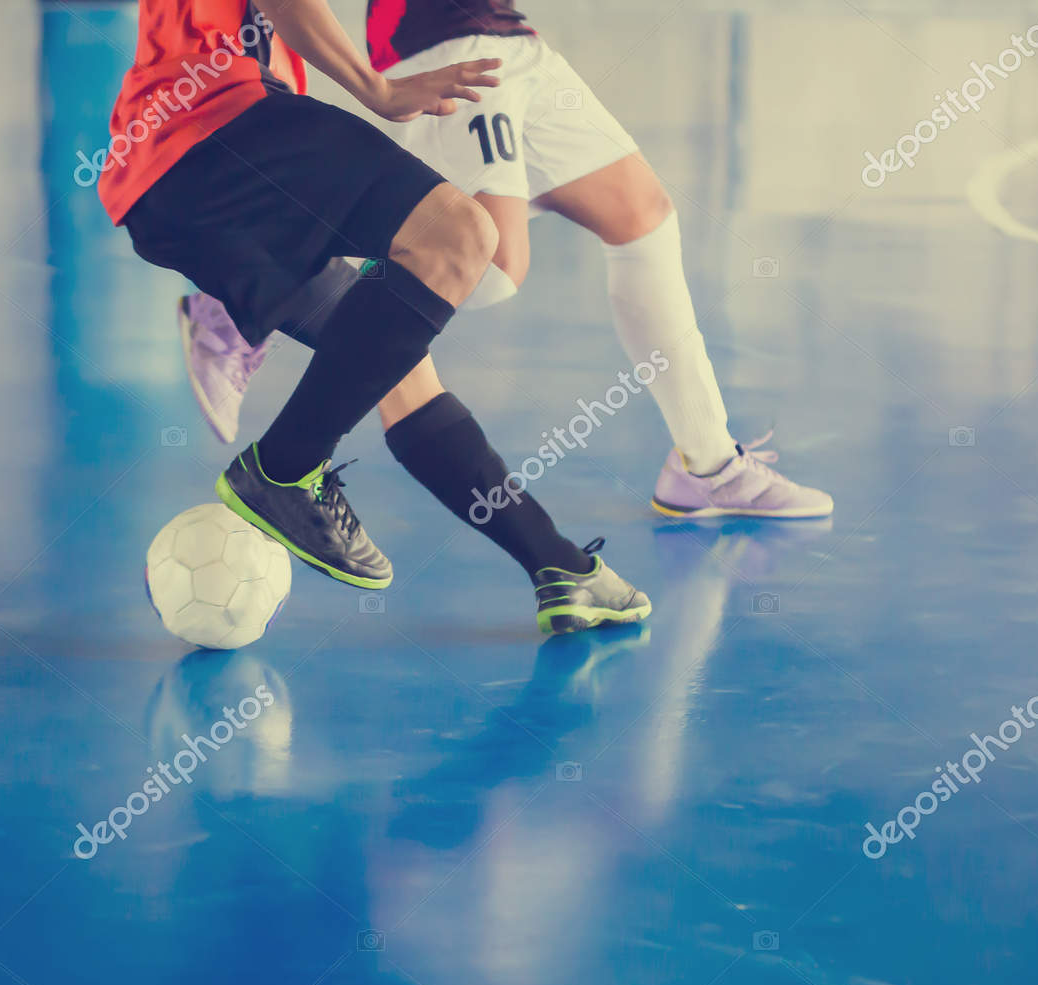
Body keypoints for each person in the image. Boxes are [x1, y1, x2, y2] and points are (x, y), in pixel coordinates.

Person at [102, 1, 649, 634]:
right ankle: (279, 468)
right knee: (462, 236)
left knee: (398, 370)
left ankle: (557, 566)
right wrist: (376, 88)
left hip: (168, 186)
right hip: (217, 128)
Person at [179, 0, 834, 521]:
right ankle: (249, 292)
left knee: (643, 216)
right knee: (486, 265)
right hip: (446, 38)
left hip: (513, 40)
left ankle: (708, 464)